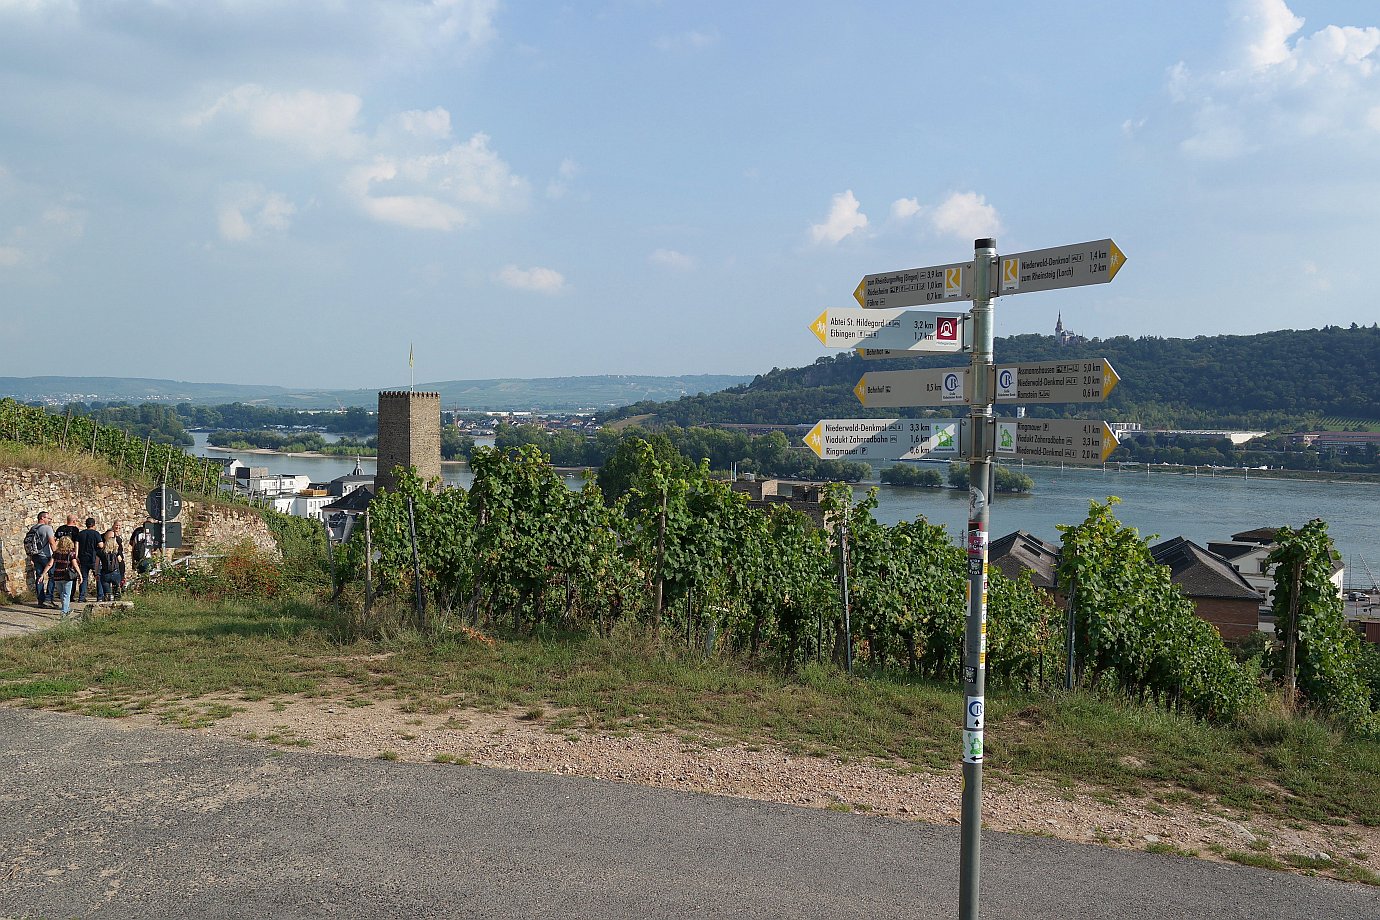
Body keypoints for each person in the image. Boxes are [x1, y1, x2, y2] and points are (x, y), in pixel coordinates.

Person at [44, 535, 80, 620]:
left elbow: (50, 564)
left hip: (57, 575)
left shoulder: (56, 553)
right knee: (66, 594)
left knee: (62, 594)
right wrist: (80, 574)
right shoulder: (71, 553)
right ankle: (64, 612)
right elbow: (75, 565)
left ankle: (66, 609)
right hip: (67, 576)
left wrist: (43, 574)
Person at [24, 511, 56, 608]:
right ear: (42, 518)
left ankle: (40, 600)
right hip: (46, 556)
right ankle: (48, 599)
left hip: (35, 556)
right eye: (48, 518)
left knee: (39, 577)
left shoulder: (33, 528)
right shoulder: (47, 528)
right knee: (52, 576)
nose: (49, 520)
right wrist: (57, 554)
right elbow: (52, 543)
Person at [76, 517, 103, 602]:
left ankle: (81, 597)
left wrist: (76, 556)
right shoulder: (96, 534)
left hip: (83, 558)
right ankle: (100, 597)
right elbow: (101, 545)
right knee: (98, 577)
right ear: (94, 525)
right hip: (94, 558)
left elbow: (76, 545)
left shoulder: (81, 534)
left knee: (83, 578)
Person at [97, 530, 124, 601]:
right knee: (117, 593)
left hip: (105, 573)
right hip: (115, 573)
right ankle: (117, 606)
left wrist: (96, 573)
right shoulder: (116, 552)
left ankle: (107, 606)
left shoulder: (101, 552)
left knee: (107, 593)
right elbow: (120, 560)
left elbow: (97, 563)